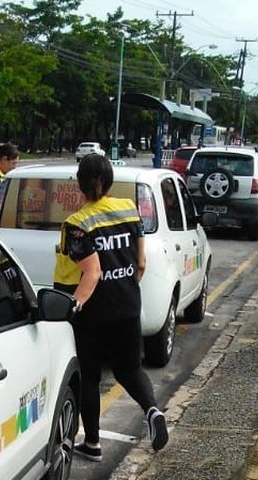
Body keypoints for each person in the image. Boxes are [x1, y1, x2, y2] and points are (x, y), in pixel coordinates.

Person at [53, 153, 168, 462]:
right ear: (107, 180)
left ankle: (92, 443)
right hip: (128, 305)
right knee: (129, 368)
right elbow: (141, 264)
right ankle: (152, 410)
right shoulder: (129, 210)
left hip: (93, 313)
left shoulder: (76, 224)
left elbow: (92, 273)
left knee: (89, 377)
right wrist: (126, 288)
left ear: (82, 182)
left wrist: (73, 306)